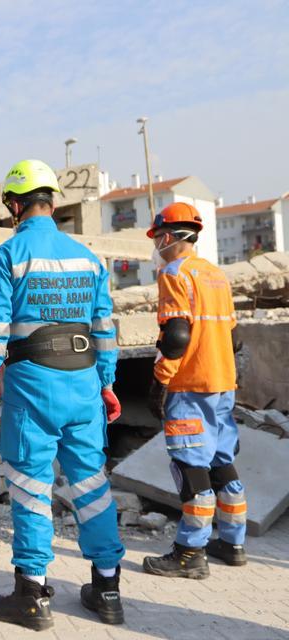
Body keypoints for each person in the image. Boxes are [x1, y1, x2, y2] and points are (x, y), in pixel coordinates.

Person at [0, 159, 126, 631]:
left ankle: (32, 596)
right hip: (83, 385)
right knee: (92, 484)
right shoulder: (88, 257)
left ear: (15, 205)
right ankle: (107, 589)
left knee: (31, 486)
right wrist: (107, 381)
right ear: (53, 201)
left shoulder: (7, 255)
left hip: (33, 386)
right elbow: (104, 326)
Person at [142, 202, 247, 578]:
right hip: (222, 381)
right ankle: (233, 543)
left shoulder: (174, 273)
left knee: (191, 467)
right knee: (222, 461)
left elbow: (176, 335)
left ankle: (190, 552)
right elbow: (233, 337)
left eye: (157, 239)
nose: (157, 247)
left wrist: (161, 381)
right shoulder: (216, 274)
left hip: (191, 383)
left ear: (168, 237)